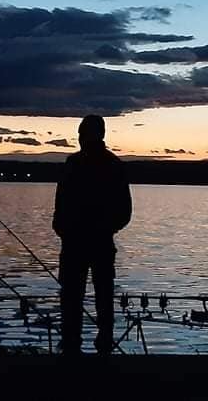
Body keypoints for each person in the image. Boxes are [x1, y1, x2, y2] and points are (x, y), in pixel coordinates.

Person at [53, 114, 132, 355]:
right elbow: (125, 212)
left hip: (79, 243)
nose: (79, 138)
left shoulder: (75, 164)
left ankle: (72, 346)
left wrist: (63, 228)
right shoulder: (114, 165)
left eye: (81, 133)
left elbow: (60, 204)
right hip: (97, 243)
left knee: (74, 297)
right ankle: (102, 345)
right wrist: (108, 228)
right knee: (102, 296)